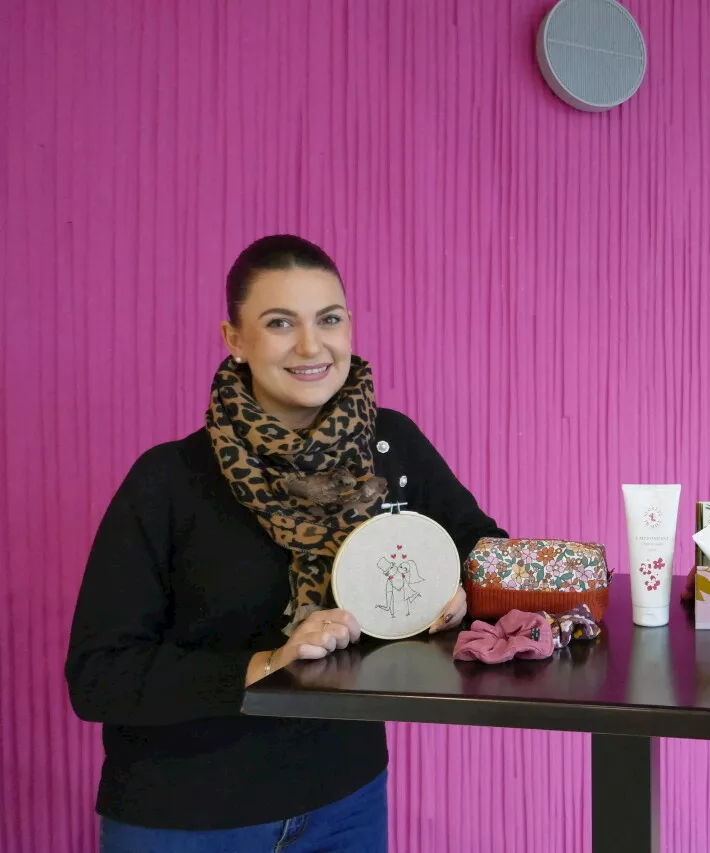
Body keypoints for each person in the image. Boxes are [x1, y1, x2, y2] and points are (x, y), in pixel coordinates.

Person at [65, 235, 506, 853]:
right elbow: (99, 677)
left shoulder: (392, 447)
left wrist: (461, 588)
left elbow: (488, 550)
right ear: (235, 340)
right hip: (186, 819)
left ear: (350, 327)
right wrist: (269, 663)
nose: (310, 346)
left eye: (328, 319)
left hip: (345, 802)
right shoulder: (167, 481)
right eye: (279, 323)